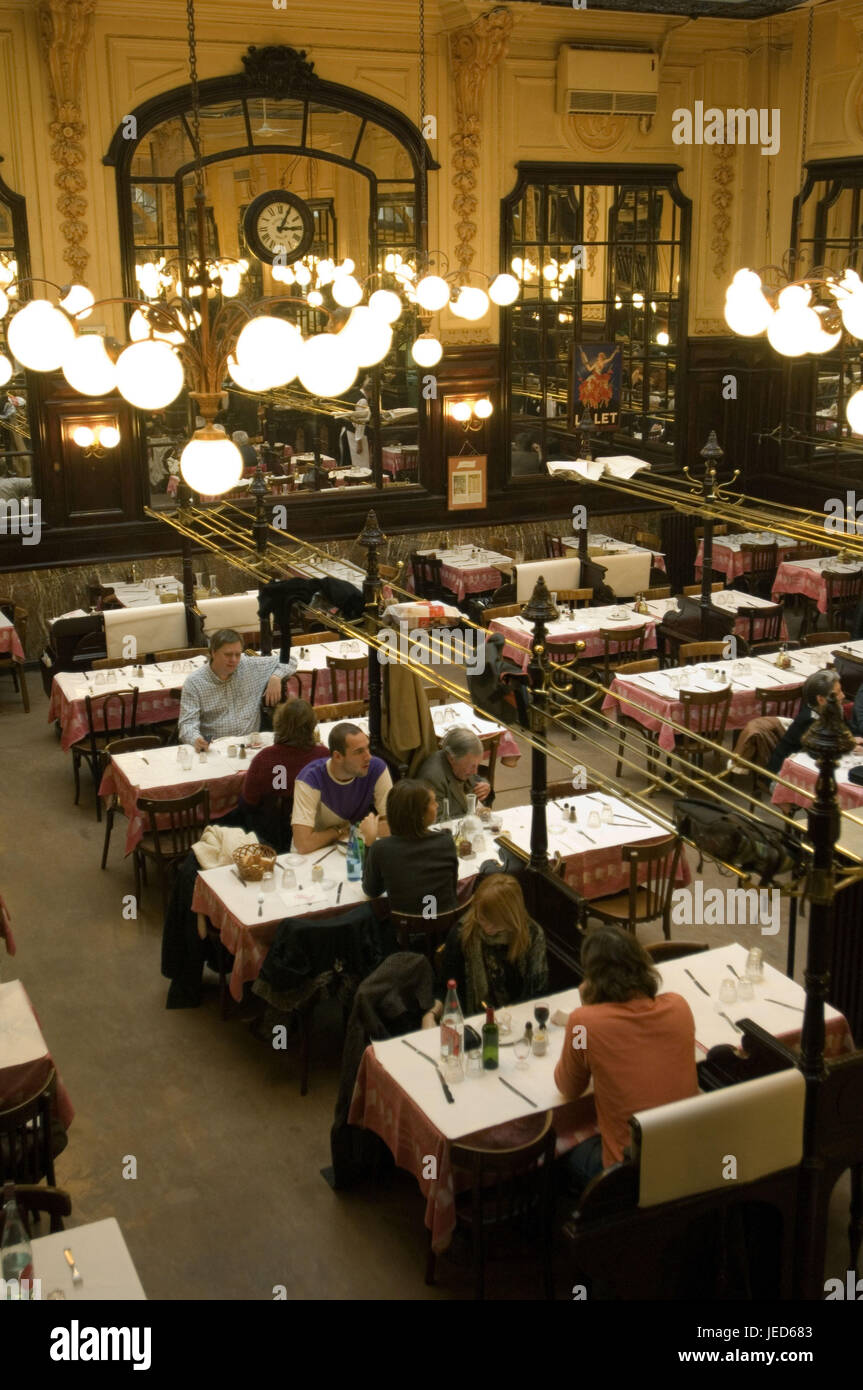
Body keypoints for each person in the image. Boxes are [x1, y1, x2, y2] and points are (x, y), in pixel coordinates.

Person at [554, 925, 697, 1195]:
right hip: (684, 1158)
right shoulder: (679, 1005)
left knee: (560, 1153)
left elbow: (568, 1087)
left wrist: (586, 1011)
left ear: (593, 977)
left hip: (627, 1174)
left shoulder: (583, 1023)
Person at [423, 874, 547, 1024]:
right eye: (482, 918)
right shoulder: (463, 932)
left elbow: (538, 992)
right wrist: (431, 1014)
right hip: (472, 1022)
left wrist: (507, 1016)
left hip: (518, 1020)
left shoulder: (532, 935)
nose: (487, 927)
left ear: (511, 918)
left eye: (495, 923)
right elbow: (446, 986)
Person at [177, 628, 297, 751]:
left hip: (250, 746)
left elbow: (289, 659)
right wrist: (196, 739)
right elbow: (187, 724)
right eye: (228, 654)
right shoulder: (195, 682)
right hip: (216, 748)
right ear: (213, 652)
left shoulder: (249, 666)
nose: (234, 660)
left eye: (238, 654)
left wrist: (276, 677)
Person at [728, 668, 863, 777]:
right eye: (838, 693)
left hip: (813, 767)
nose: (843, 696)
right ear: (821, 699)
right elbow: (819, 752)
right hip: (785, 774)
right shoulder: (809, 720)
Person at [239, 698, 327, 850]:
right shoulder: (324, 756)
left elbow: (248, 802)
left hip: (272, 835)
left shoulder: (264, 758)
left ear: (278, 724)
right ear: (312, 725)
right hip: (314, 829)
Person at [291, 722, 391, 854]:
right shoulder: (309, 779)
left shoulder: (376, 768)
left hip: (353, 845)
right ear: (338, 756)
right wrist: (337, 831)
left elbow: (393, 825)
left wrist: (352, 830)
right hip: (316, 852)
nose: (368, 757)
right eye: (359, 752)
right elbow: (303, 844)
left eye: (367, 748)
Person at [362, 779, 458, 916]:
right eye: (433, 802)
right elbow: (451, 889)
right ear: (419, 814)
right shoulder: (446, 842)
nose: (437, 805)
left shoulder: (381, 849)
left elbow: (371, 891)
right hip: (447, 928)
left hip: (406, 932)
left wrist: (369, 843)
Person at [416, 726, 492, 815]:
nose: (475, 772)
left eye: (477, 765)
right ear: (452, 758)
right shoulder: (432, 779)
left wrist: (486, 788)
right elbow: (437, 823)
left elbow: (477, 779)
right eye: (472, 766)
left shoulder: (462, 764)